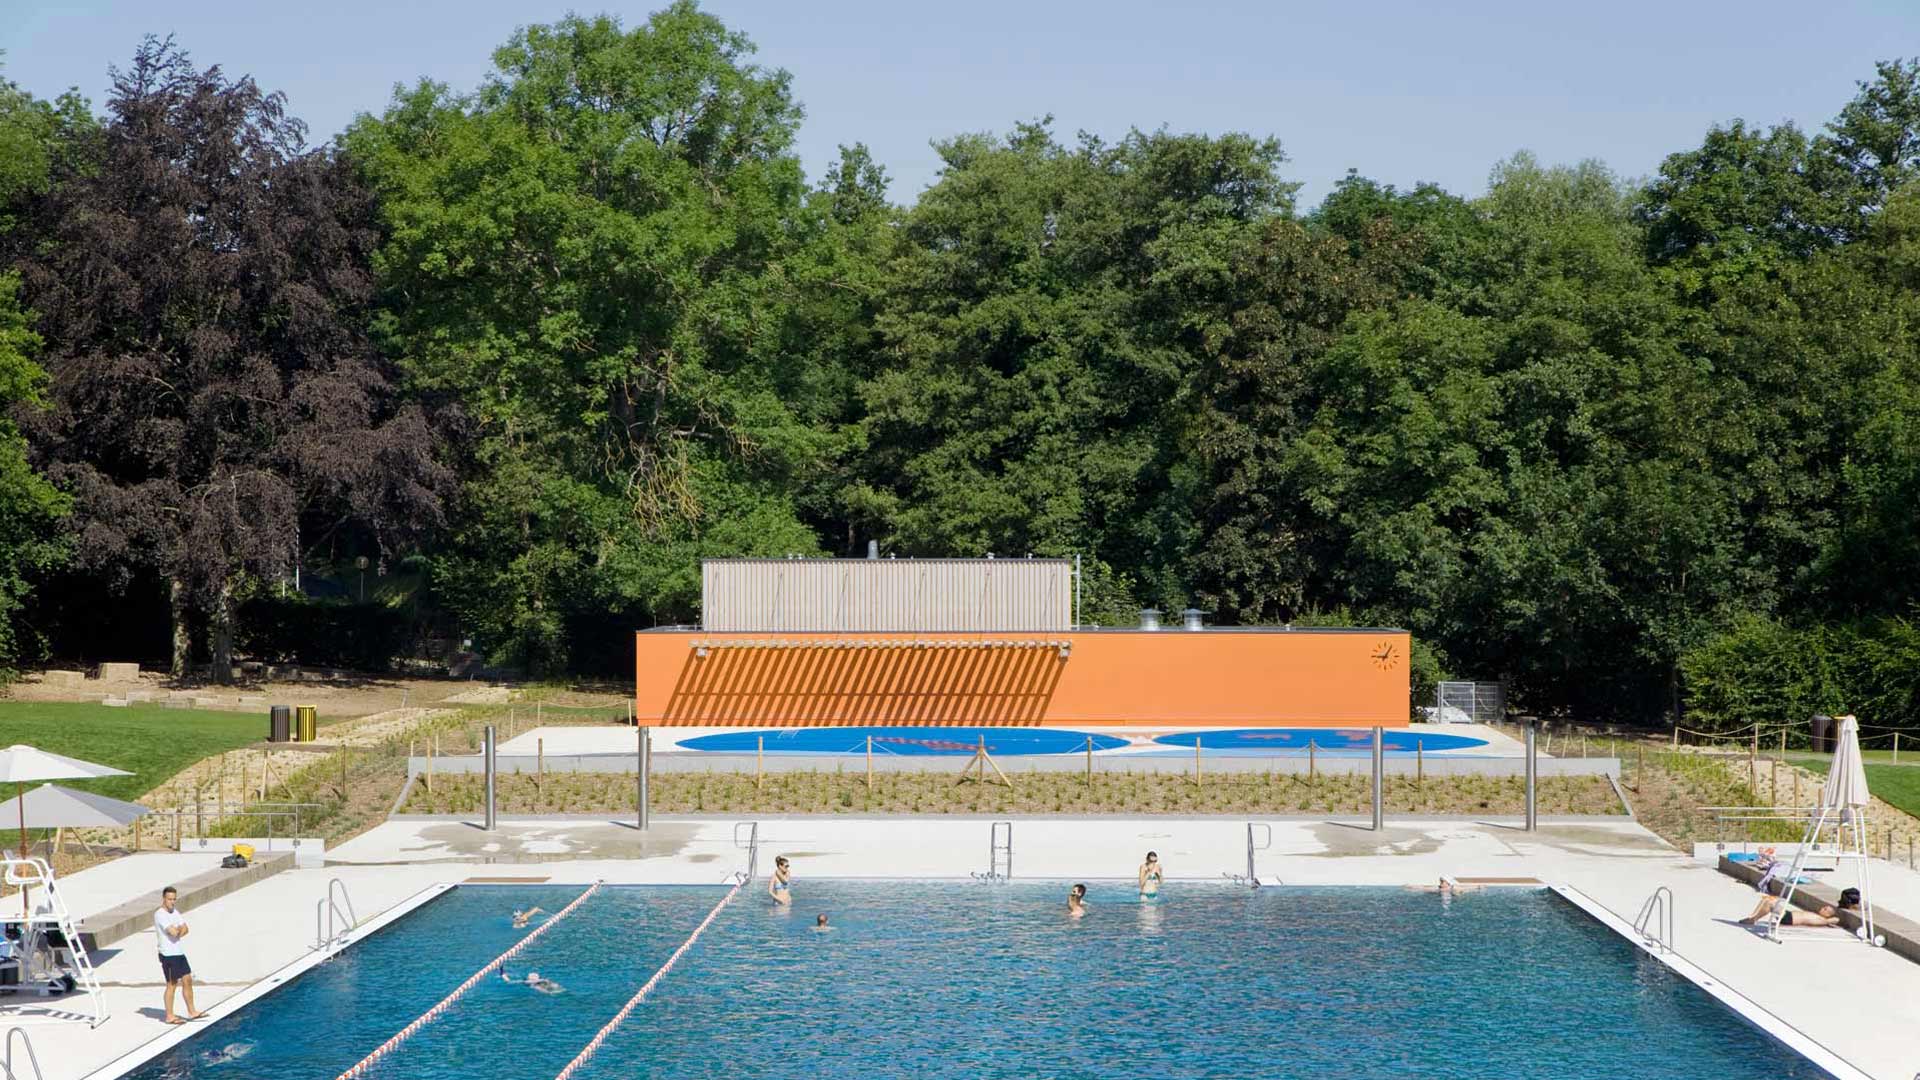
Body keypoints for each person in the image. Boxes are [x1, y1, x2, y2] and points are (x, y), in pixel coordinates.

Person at [154, 886, 205, 1024]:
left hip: (179, 952)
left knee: (187, 979)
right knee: (172, 984)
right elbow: (174, 933)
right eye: (169, 899)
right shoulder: (160, 914)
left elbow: (185, 929)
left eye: (174, 899)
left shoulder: (175, 912)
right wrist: (178, 930)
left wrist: (178, 930)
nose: (172, 902)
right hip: (168, 954)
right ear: (164, 898)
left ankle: (192, 1011)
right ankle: (169, 1016)